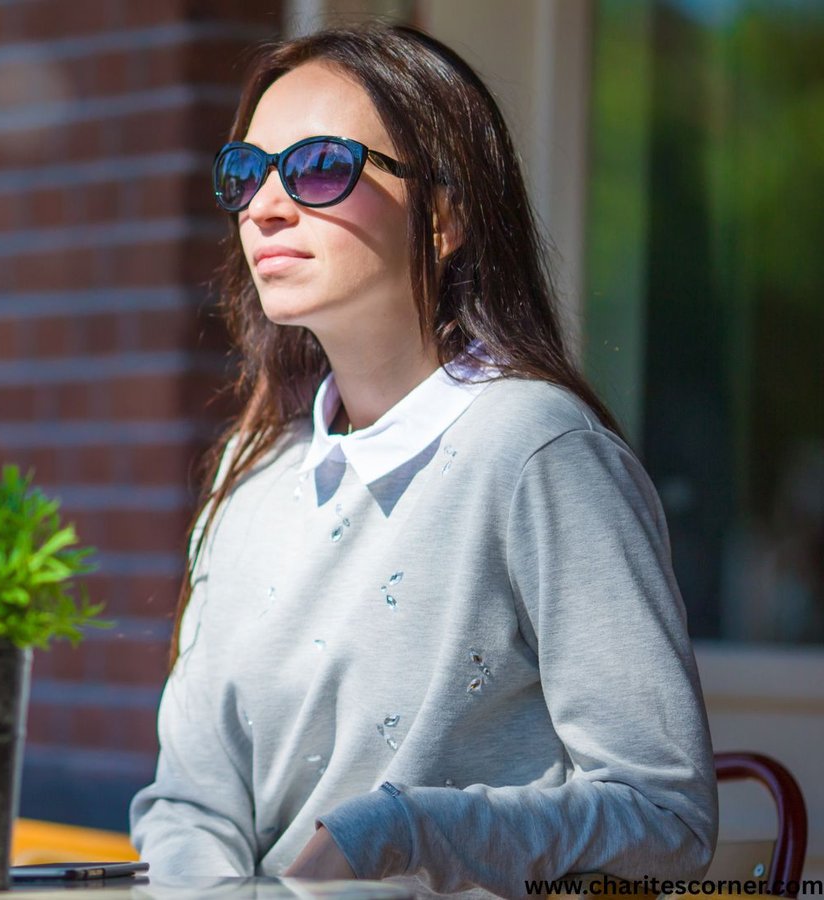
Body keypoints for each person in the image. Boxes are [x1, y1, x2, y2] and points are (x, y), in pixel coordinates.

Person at [127, 23, 716, 898]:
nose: (265, 207)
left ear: (443, 217)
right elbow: (189, 803)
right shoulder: (247, 478)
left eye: (319, 166)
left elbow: (665, 819)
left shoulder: (537, 451)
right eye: (244, 174)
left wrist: (399, 831)